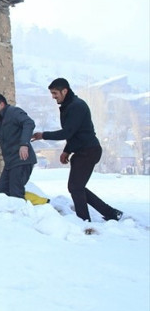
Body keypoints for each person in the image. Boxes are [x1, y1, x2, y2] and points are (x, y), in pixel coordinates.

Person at [31, 78, 122, 222]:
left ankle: (84, 220)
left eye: (55, 93)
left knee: (75, 187)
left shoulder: (76, 106)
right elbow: (73, 133)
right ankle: (110, 213)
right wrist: (67, 150)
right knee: (76, 187)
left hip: (89, 151)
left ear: (64, 91)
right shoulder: (69, 106)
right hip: (82, 151)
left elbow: (67, 132)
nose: (53, 97)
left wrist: (43, 135)